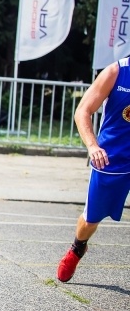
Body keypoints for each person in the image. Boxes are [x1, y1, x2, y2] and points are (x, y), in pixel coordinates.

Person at [57, 58, 130, 282]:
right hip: (112, 159)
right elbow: (83, 111)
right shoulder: (116, 72)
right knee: (90, 221)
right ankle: (78, 248)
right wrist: (93, 146)